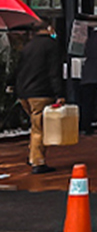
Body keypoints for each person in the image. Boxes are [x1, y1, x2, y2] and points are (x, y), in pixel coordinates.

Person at [13, 20, 64, 175]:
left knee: (35, 126)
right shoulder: (51, 45)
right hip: (41, 92)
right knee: (40, 129)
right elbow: (54, 71)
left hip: (24, 92)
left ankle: (32, 155)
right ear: (49, 28)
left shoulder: (28, 46)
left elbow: (18, 69)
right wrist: (59, 94)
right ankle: (38, 162)